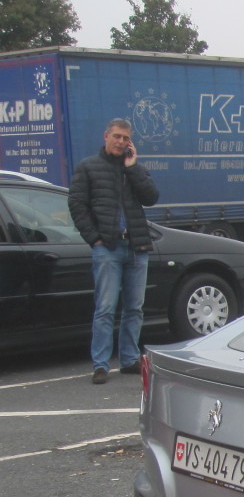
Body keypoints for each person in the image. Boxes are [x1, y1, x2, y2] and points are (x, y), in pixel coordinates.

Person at [68, 118, 159, 384]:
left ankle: (129, 359)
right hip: (107, 248)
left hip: (136, 247)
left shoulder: (134, 169)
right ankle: (101, 364)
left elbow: (151, 197)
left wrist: (132, 168)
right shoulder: (88, 167)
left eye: (125, 138)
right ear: (106, 135)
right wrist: (94, 239)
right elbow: (77, 205)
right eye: (116, 136)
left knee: (135, 308)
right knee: (105, 308)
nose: (120, 142)